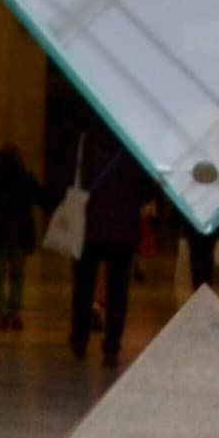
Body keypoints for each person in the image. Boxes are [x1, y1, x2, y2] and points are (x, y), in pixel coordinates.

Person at [66, 123, 150, 372]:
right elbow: (145, 187)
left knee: (83, 285)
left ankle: (79, 339)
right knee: (118, 289)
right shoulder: (132, 146)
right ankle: (111, 345)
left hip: (88, 225)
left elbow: (69, 176)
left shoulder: (84, 141)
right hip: (123, 228)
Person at [0, 142, 45, 333]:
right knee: (17, 275)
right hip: (19, 236)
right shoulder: (24, 180)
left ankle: (2, 312)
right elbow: (41, 198)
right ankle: (15, 311)